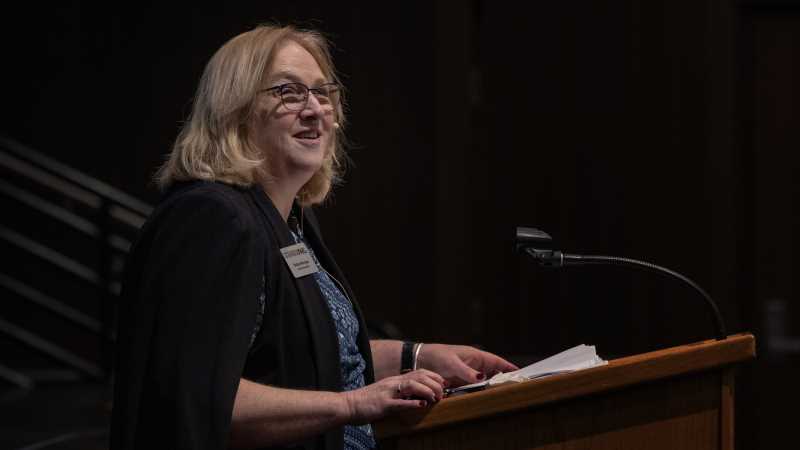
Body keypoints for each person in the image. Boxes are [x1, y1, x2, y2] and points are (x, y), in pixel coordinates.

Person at [110, 23, 518, 450]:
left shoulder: (289, 222)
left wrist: (416, 356)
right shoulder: (210, 220)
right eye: (288, 92)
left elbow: (302, 354)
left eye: (323, 93)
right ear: (235, 109)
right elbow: (199, 397)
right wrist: (352, 405)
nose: (314, 109)